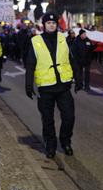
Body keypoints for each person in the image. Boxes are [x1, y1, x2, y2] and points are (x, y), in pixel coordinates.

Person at [25, 13, 80, 158]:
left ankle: (65, 141)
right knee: (48, 119)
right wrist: (28, 84)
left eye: (54, 23)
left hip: (63, 86)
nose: (51, 25)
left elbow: (72, 60)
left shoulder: (64, 39)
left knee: (69, 117)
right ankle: (50, 145)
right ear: (44, 25)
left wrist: (79, 78)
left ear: (57, 25)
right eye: (48, 22)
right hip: (46, 87)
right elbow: (30, 64)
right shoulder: (35, 41)